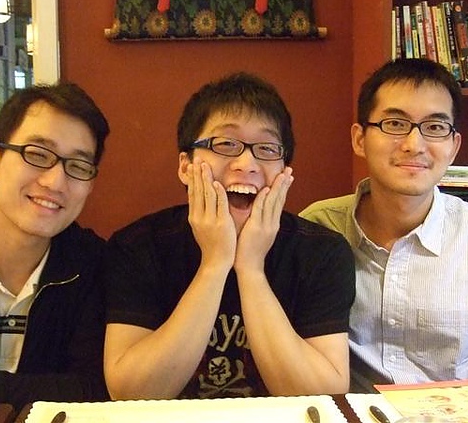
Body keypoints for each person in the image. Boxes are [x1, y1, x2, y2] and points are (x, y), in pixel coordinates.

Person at [103, 72, 355, 400]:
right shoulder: (137, 246)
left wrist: (251, 269)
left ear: (284, 172)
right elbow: (130, 393)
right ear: (186, 166)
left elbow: (323, 397)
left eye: (267, 148)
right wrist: (215, 263)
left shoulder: (322, 252)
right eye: (225, 144)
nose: (246, 163)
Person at [300, 58, 468, 391]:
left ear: (453, 147)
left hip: (454, 410)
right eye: (395, 123)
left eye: (435, 127)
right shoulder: (316, 229)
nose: (414, 144)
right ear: (359, 139)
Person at [0, 83, 111, 410]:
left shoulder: (96, 266)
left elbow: (96, 390)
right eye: (37, 155)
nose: (55, 182)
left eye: (78, 166)